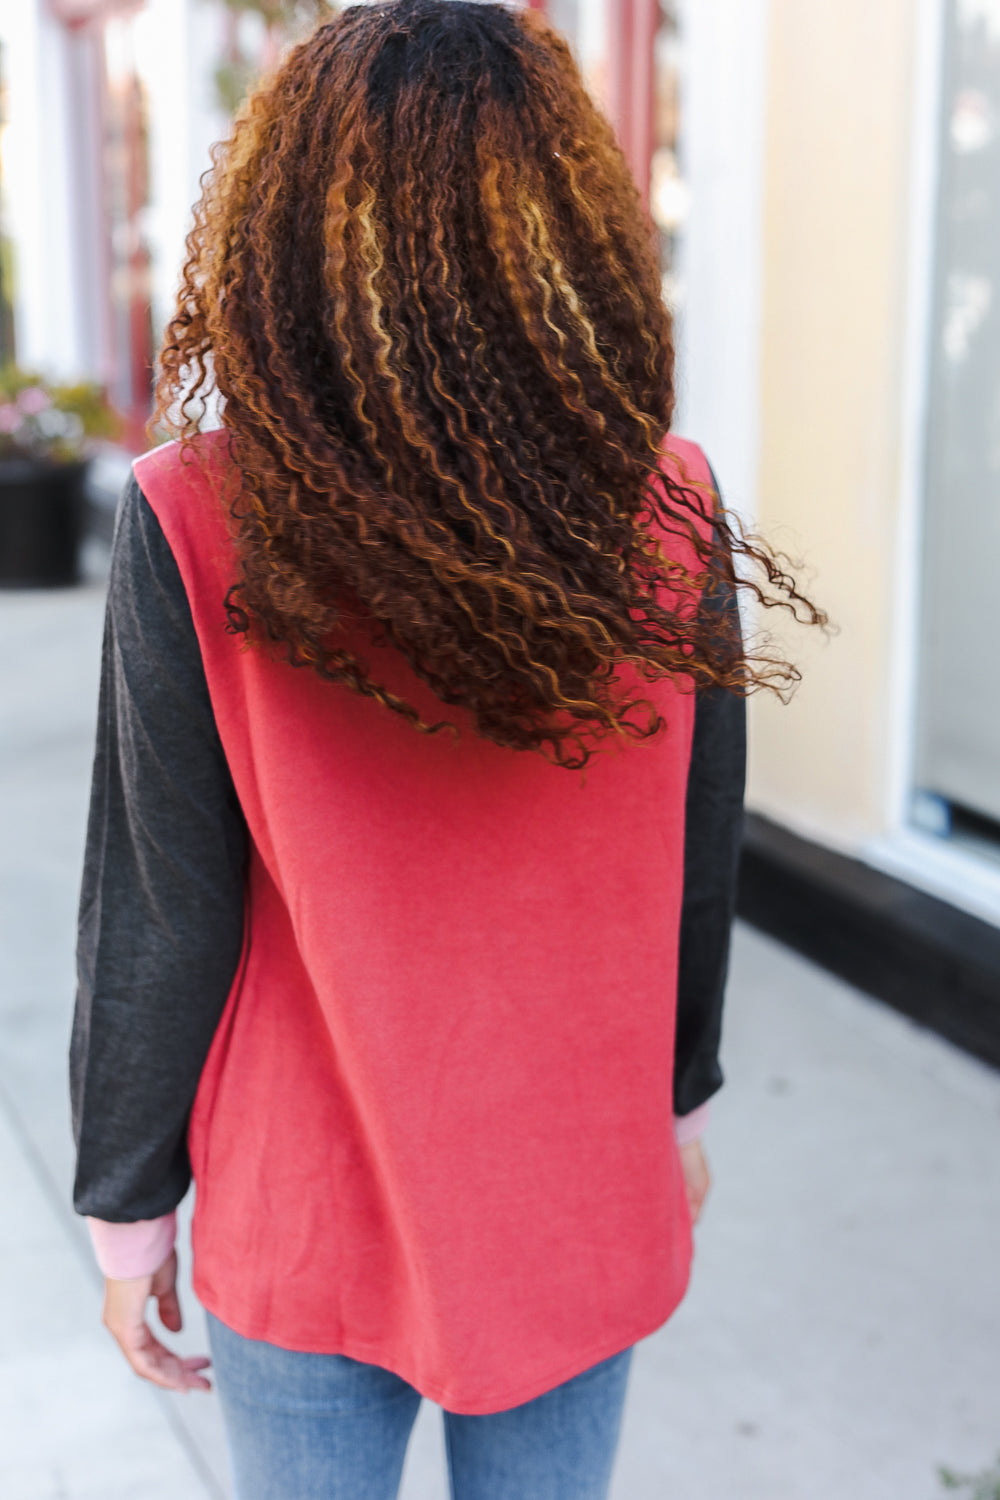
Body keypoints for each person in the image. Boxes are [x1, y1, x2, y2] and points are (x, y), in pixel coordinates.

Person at [69, 4, 820, 1497]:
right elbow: (699, 858)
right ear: (568, 232)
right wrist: (676, 1104)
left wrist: (128, 1212)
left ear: (284, 237)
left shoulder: (195, 514)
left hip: (309, 1199)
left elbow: (162, 911)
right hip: (572, 1189)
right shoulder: (668, 505)